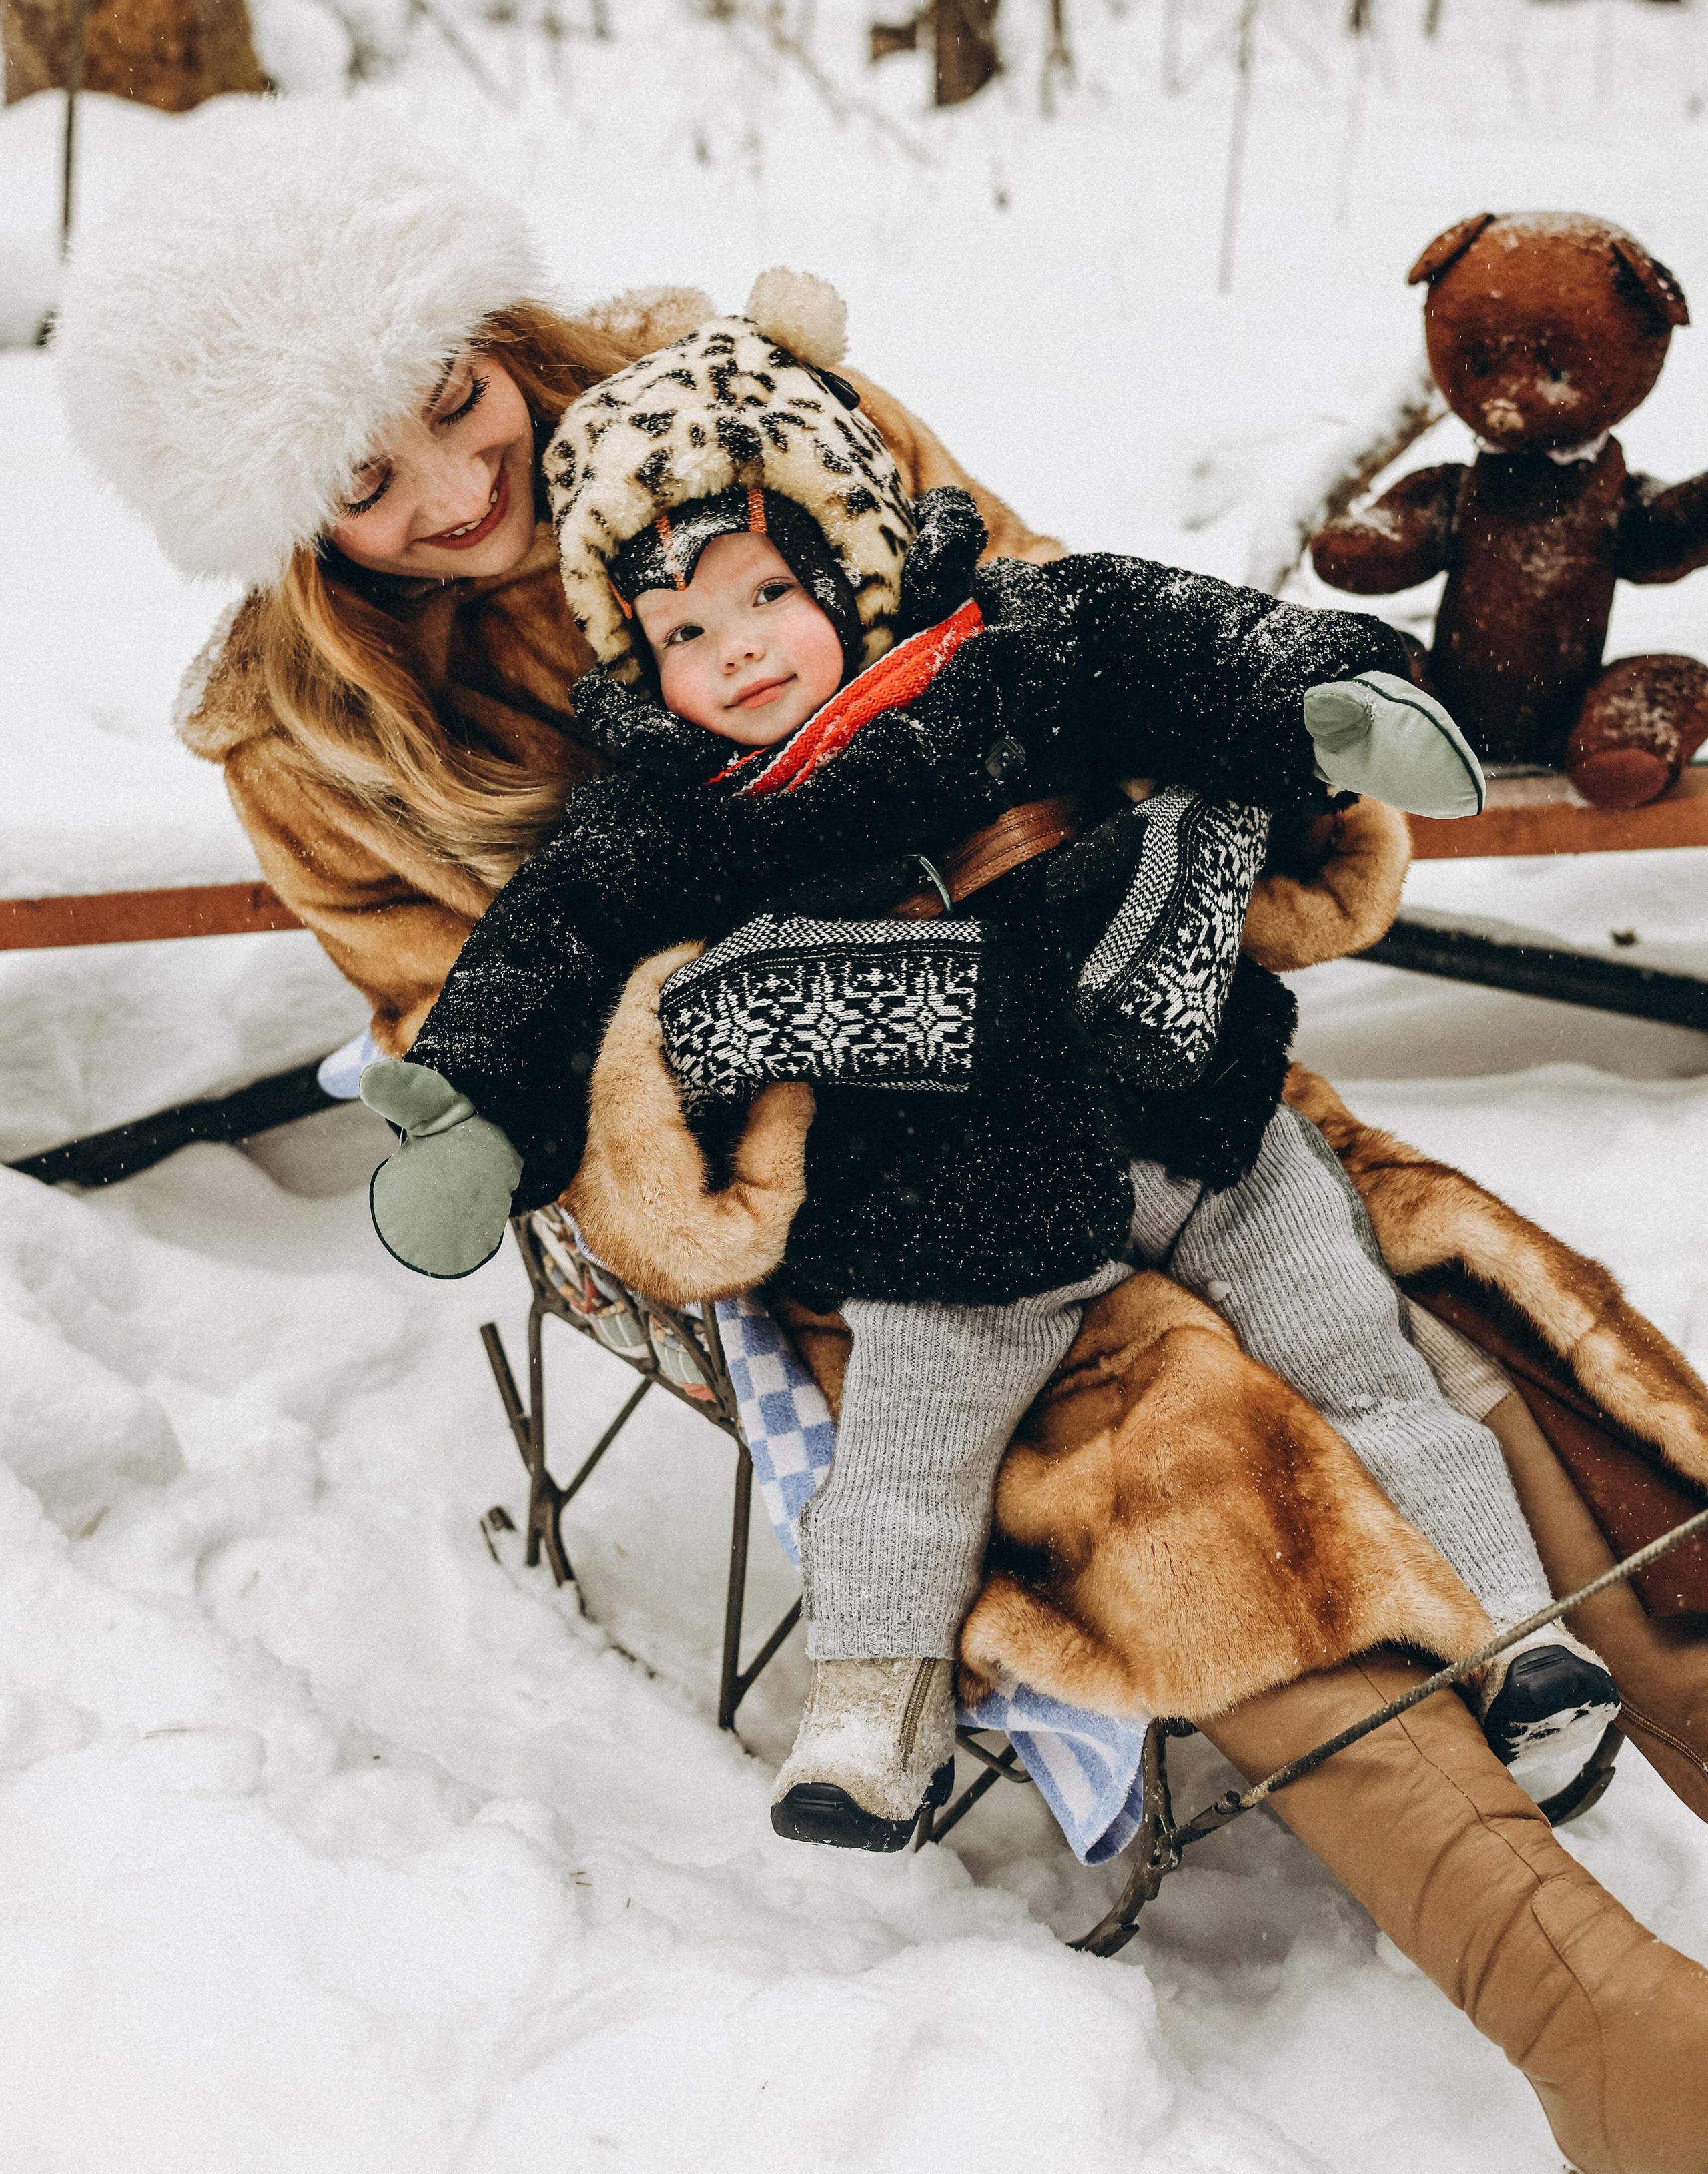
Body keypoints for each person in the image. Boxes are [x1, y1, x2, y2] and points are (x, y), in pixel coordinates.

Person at [53, 103, 1708, 2173]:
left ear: (492, 324)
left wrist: (1205, 843)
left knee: (1469, 1321)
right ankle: (1601, 2021)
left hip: (1131, 1022)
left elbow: (1054, 633)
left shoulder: (759, 415)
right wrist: (797, 1046)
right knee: (1171, 1461)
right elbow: (486, 1030)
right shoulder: (304, 731)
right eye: (363, 485)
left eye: (456, 400)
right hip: (853, 1191)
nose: (460, 491)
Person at [354, 282, 1617, 1846]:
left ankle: (1516, 1640)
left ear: (846, 558)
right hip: (946, 1189)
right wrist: (478, 1103)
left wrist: (1323, 696)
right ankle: (869, 1725)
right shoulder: (671, 809)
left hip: (1195, 1111)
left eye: (764, 595)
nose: (734, 654)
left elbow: (1187, 641)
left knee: (1358, 1357)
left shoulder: (1015, 641)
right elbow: (551, 941)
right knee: (904, 1454)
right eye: (680, 633)